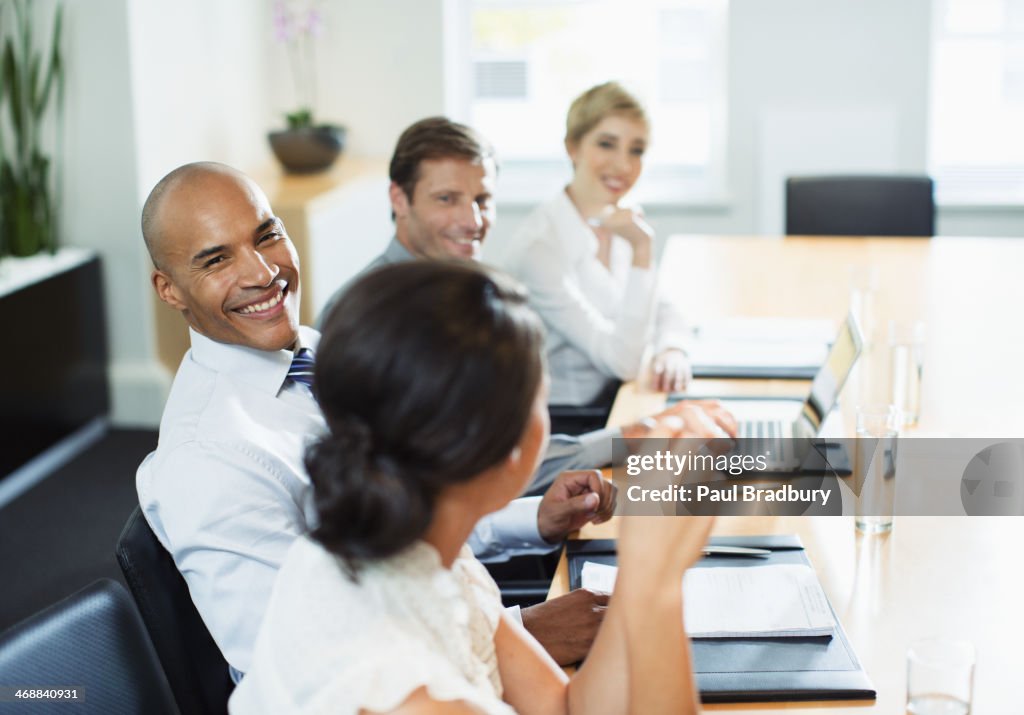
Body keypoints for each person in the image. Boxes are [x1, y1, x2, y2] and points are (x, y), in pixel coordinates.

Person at [136, 162, 620, 676]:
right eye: (216, 260)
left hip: (451, 624)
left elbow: (396, 528)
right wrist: (521, 634)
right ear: (168, 290)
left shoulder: (317, 355)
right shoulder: (210, 460)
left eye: (267, 235)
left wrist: (530, 521)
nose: (262, 273)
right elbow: (300, 667)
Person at [229, 260, 710, 714]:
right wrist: (656, 584)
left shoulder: (417, 546)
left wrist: (637, 581)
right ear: (503, 448)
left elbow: (563, 707)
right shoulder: (400, 686)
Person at [318, 116, 735, 448]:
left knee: (758, 488)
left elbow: (500, 453)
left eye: (483, 200)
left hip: (511, 506)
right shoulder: (364, 315)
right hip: (439, 536)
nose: (473, 222)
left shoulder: (475, 287)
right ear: (399, 199)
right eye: (447, 199)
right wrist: (635, 437)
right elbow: (477, 468)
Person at [487, 82, 692, 416]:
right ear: (573, 147)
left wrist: (672, 349)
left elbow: (665, 307)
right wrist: (642, 249)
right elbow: (622, 362)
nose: (623, 165)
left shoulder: (618, 217)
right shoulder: (540, 249)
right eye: (607, 144)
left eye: (636, 150)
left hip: (619, 398)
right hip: (567, 419)